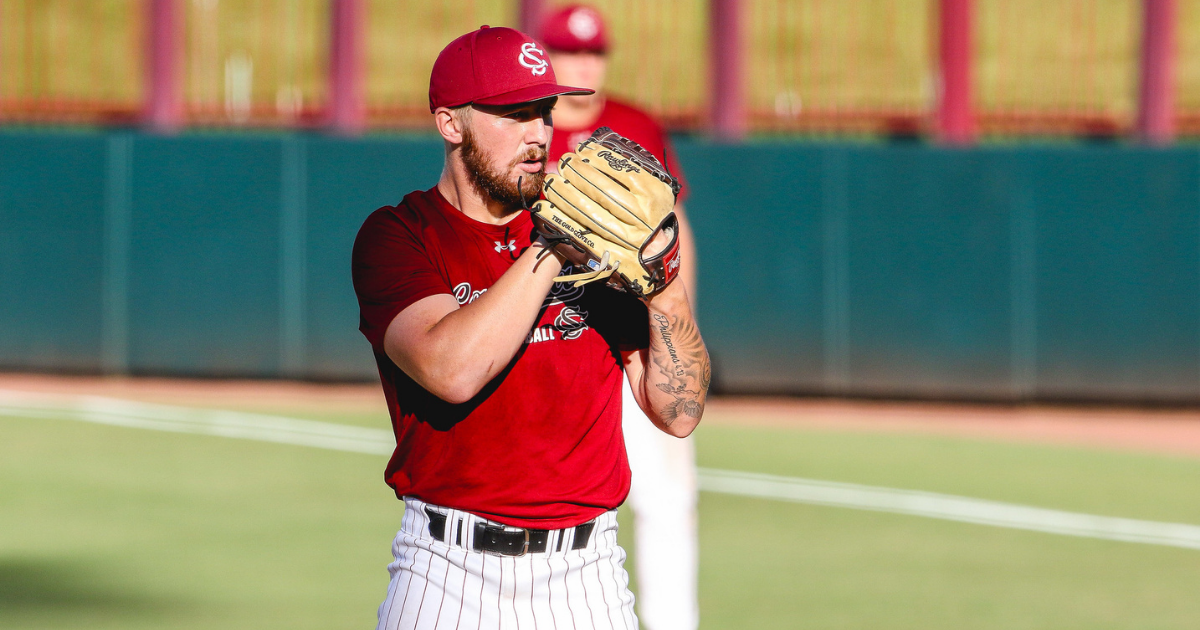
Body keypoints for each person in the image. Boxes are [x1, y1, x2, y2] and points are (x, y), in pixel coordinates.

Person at [351, 25, 711, 630]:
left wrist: (665, 290)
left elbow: (678, 413)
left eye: (543, 112)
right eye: (513, 113)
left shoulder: (598, 238)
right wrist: (551, 248)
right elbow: (453, 370)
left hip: (587, 578)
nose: (538, 134)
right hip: (445, 573)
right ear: (449, 123)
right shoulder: (400, 235)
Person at [539, 7, 701, 630]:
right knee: (557, 502)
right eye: (568, 52)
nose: (582, 63)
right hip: (556, 344)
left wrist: (681, 333)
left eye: (593, 53)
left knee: (666, 500)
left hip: (633, 343)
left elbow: (674, 233)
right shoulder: (526, 129)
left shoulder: (634, 126)